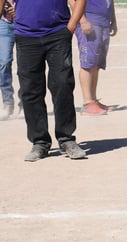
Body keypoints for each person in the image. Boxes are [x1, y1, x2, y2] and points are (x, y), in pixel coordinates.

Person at [13, 0, 87, 162]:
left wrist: (71, 26)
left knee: (63, 85)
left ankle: (66, 139)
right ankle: (40, 142)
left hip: (58, 33)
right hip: (26, 36)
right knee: (30, 90)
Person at [69, 0, 118, 116]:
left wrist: (113, 20)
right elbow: (72, 1)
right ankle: (87, 103)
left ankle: (93, 100)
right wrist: (82, 20)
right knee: (88, 63)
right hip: (89, 19)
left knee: (96, 64)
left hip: (103, 21)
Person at [0, 0, 17, 120]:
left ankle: (25, 102)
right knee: (4, 61)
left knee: (26, 65)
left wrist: (20, 11)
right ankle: (8, 101)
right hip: (3, 22)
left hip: (26, 21)